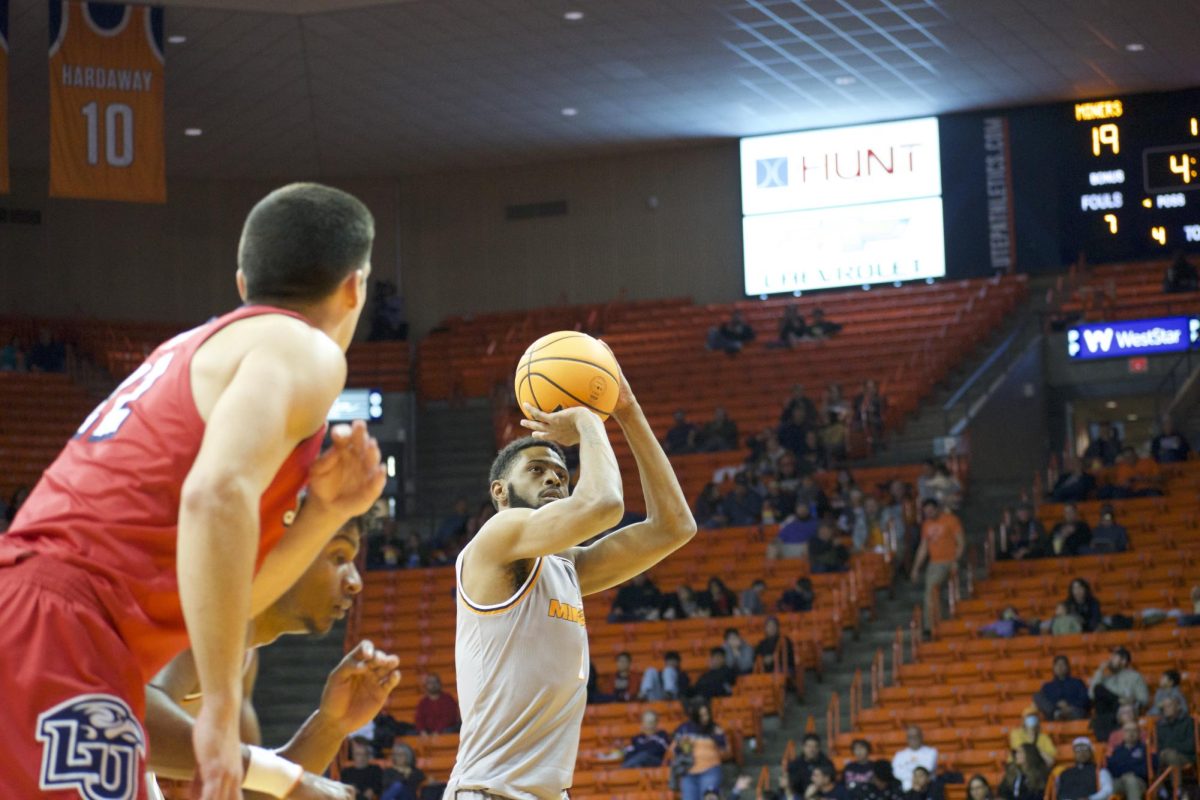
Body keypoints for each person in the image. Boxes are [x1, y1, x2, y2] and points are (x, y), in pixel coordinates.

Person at [0, 183, 387, 800]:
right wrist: (218, 707)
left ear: (241, 283)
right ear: (354, 287)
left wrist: (325, 515)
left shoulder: (195, 349)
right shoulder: (302, 346)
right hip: (62, 626)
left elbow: (227, 601)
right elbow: (213, 495)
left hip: (37, 616)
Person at [445, 358, 696, 800]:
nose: (553, 480)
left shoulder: (568, 568)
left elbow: (675, 527)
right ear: (500, 492)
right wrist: (585, 417)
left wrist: (628, 410)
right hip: (490, 792)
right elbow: (603, 505)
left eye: (562, 475)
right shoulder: (497, 539)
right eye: (537, 471)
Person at [145, 517, 398, 800]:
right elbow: (131, 715)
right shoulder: (208, 608)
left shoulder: (243, 656)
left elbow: (248, 791)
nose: (356, 582)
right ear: (280, 543)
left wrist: (329, 726)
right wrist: (282, 777)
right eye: (339, 556)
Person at [910, 499, 964, 634]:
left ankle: (934, 624)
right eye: (926, 511)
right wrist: (916, 568)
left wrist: (955, 560)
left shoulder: (951, 520)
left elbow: (961, 542)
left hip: (949, 560)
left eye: (931, 510)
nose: (929, 513)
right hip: (934, 562)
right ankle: (930, 625)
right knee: (930, 592)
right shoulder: (926, 525)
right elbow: (923, 548)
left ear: (937, 508)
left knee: (933, 590)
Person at [671, 700, 731, 800]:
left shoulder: (715, 728)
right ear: (694, 715)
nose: (705, 717)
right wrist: (681, 745)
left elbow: (726, 752)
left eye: (706, 714)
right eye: (701, 715)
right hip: (688, 772)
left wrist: (720, 738)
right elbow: (674, 752)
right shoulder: (683, 729)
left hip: (710, 770)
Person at [1089, 646, 1149, 740]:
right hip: (1108, 712)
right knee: (1098, 689)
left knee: (1099, 690)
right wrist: (1100, 671)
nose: (1110, 659)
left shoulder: (1135, 677)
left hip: (1125, 708)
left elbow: (1144, 700)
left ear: (1123, 661)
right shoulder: (1106, 678)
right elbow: (1091, 695)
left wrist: (1130, 700)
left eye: (1113, 657)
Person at [1034, 655, 1091, 721]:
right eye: (1057, 665)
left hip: (1073, 712)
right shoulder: (1047, 686)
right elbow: (1045, 703)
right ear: (1054, 668)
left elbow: (1085, 699)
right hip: (1054, 714)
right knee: (1037, 696)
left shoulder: (1077, 683)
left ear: (1067, 667)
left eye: (1062, 664)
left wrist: (1069, 706)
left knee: (1079, 711)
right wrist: (1056, 706)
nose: (1060, 667)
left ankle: (1060, 714)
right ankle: (1057, 713)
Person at [1106, 721, 1150, 800]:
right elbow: (1112, 768)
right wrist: (1129, 770)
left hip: (1139, 781)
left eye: (1134, 730)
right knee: (1107, 787)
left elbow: (1146, 769)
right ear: (1123, 733)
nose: (1131, 733)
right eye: (1127, 730)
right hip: (1120, 780)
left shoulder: (1145, 749)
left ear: (1139, 733)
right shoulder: (1117, 750)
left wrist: (1129, 772)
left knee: (1131, 781)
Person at [1154, 694, 1196, 769]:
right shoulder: (1160, 725)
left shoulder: (1188, 722)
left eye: (1169, 705)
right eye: (1164, 706)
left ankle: (1175, 781)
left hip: (1186, 756)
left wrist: (1171, 746)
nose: (1166, 709)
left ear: (1178, 707)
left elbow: (1191, 746)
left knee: (1170, 755)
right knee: (1154, 757)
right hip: (1165, 755)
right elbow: (1159, 747)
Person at [892, 726, 938, 791]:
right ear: (907, 738)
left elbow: (926, 770)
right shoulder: (899, 755)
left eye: (916, 736)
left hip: (926, 790)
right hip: (904, 790)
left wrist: (906, 773)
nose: (913, 739)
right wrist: (918, 776)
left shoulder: (931, 752)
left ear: (921, 737)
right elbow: (896, 773)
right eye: (910, 737)